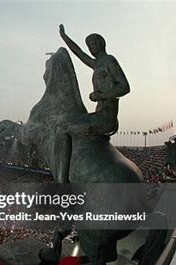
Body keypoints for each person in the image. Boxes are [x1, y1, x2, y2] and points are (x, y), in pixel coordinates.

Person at [55, 24, 130, 182]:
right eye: (89, 46)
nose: (91, 48)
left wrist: (100, 96)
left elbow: (125, 87)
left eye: (93, 44)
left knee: (62, 127)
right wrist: (64, 36)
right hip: (100, 114)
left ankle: (61, 183)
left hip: (105, 118)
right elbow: (79, 53)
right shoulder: (97, 64)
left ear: (101, 44)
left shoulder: (109, 61)